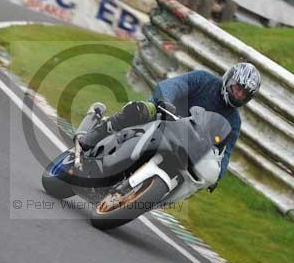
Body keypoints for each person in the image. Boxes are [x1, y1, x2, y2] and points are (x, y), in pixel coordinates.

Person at [77, 62, 262, 191]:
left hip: (185, 145)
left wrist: (217, 176)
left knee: (188, 176)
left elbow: (225, 153)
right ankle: (91, 138)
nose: (238, 94)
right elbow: (174, 85)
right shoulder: (204, 79)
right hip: (164, 115)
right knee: (140, 109)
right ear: (229, 79)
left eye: (243, 94)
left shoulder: (234, 122)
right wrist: (166, 101)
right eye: (237, 88)